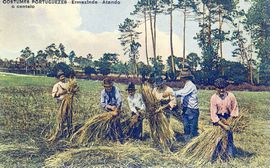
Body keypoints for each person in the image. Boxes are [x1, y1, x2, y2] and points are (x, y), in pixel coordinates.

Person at [163, 70, 199, 141]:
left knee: (192, 129)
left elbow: (183, 93)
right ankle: (187, 143)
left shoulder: (191, 85)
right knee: (186, 127)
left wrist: (170, 93)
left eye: (181, 78)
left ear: (185, 78)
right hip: (186, 109)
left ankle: (193, 144)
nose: (180, 79)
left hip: (192, 110)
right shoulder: (186, 85)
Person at [210, 78, 239, 161]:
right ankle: (217, 155)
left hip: (228, 118)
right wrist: (222, 125)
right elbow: (213, 114)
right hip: (218, 120)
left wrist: (230, 122)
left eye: (223, 88)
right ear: (216, 88)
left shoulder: (231, 96)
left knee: (229, 137)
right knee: (217, 138)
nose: (221, 90)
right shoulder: (213, 98)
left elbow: (234, 109)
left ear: (226, 87)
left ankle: (230, 156)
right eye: (219, 88)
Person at [100, 78, 124, 143]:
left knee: (117, 123)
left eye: (109, 86)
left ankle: (120, 138)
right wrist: (110, 107)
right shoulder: (103, 92)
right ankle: (111, 138)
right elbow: (102, 103)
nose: (108, 88)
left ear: (111, 85)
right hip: (108, 109)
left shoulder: (116, 89)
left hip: (116, 108)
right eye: (106, 87)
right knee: (109, 124)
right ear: (104, 86)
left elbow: (119, 100)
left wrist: (116, 109)